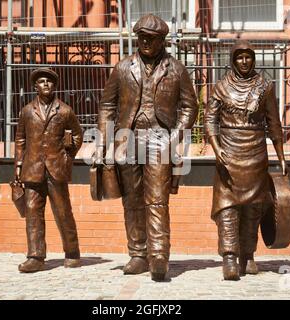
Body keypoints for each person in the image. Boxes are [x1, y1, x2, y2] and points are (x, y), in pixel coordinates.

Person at [97, 14, 198, 281]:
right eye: (140, 37)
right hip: (126, 139)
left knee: (156, 199)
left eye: (150, 39)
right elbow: (107, 105)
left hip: (159, 140)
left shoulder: (176, 69)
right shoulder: (122, 68)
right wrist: (105, 141)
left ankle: (159, 255)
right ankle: (138, 254)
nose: (144, 42)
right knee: (132, 200)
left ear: (162, 40)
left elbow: (190, 106)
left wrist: (174, 138)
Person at [204, 40, 288, 280]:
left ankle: (248, 255)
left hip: (256, 153)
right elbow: (209, 120)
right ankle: (229, 257)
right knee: (228, 207)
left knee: (253, 207)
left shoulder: (264, 87)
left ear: (254, 59)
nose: (244, 61)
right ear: (232, 60)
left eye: (248, 57)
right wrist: (217, 147)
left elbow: (274, 123)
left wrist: (281, 156)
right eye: (239, 57)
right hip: (229, 154)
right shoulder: (221, 87)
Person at [14, 67, 83, 272]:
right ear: (35, 86)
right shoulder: (27, 111)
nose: (46, 84)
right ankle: (35, 256)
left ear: (55, 86)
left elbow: (78, 136)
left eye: (49, 81)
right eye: (41, 81)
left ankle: (72, 252)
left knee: (63, 212)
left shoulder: (65, 110)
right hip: (32, 169)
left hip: (56, 168)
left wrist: (67, 157)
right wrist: (18, 167)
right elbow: (20, 140)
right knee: (33, 212)